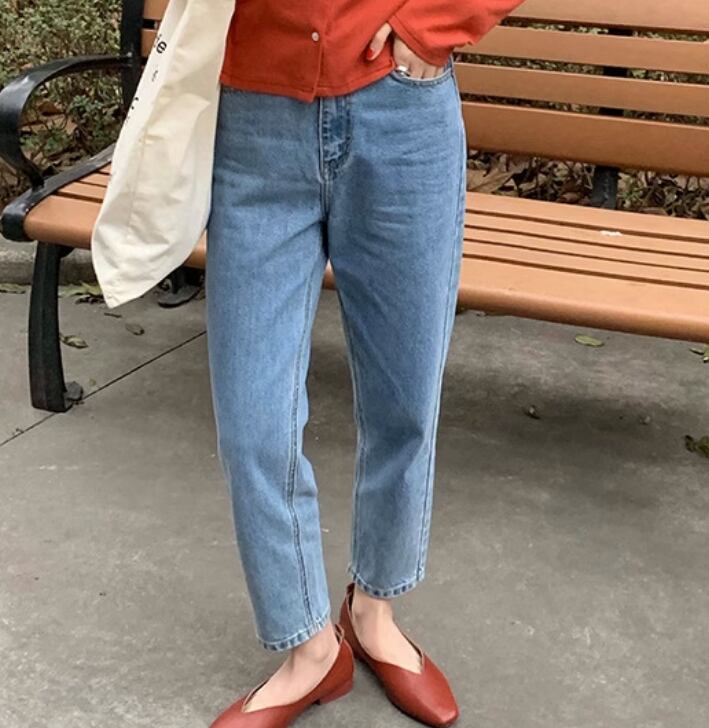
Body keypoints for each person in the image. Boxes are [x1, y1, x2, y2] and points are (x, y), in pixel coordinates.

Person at [204, 2, 525, 726]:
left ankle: (373, 610)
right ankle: (311, 649)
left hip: (399, 112)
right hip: (254, 118)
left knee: (403, 399)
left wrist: (435, 25)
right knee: (252, 422)